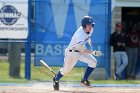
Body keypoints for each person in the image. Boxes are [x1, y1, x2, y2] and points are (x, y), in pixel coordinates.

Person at [53, 16, 102, 90]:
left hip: (80, 52)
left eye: (91, 24)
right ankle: (56, 79)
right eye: (89, 25)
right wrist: (93, 52)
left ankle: (84, 80)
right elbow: (81, 49)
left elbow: (88, 36)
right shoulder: (80, 33)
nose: (91, 26)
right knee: (66, 71)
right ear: (84, 25)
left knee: (93, 62)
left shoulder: (90, 29)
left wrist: (89, 40)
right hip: (72, 53)